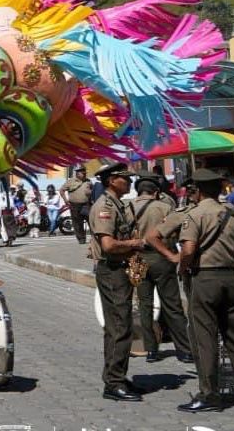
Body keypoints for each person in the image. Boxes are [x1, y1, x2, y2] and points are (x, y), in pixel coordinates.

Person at [176, 169, 234, 413]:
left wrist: (183, 269)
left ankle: (209, 395)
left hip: (205, 279)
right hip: (231, 278)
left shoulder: (195, 214)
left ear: (198, 190)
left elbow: (188, 249)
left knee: (205, 338)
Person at [87, 162, 147, 402]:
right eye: (125, 178)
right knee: (120, 326)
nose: (130, 182)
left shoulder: (117, 205)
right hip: (111, 270)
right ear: (112, 180)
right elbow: (109, 245)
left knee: (120, 325)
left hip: (119, 270)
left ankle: (116, 376)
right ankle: (114, 382)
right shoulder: (105, 207)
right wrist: (135, 244)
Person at [129, 174, 192, 363]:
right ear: (156, 192)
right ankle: (184, 349)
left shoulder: (127, 208)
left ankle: (150, 350)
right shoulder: (165, 207)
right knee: (172, 304)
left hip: (136, 258)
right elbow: (178, 231)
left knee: (144, 305)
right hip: (162, 257)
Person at [61, 166, 92, 244]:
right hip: (74, 205)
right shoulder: (70, 181)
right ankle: (81, 239)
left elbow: (93, 190)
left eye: (85, 173)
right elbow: (62, 190)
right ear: (77, 173)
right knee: (77, 223)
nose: (84, 175)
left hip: (86, 204)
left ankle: (95, 238)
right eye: (83, 173)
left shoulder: (88, 181)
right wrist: (65, 200)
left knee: (91, 221)